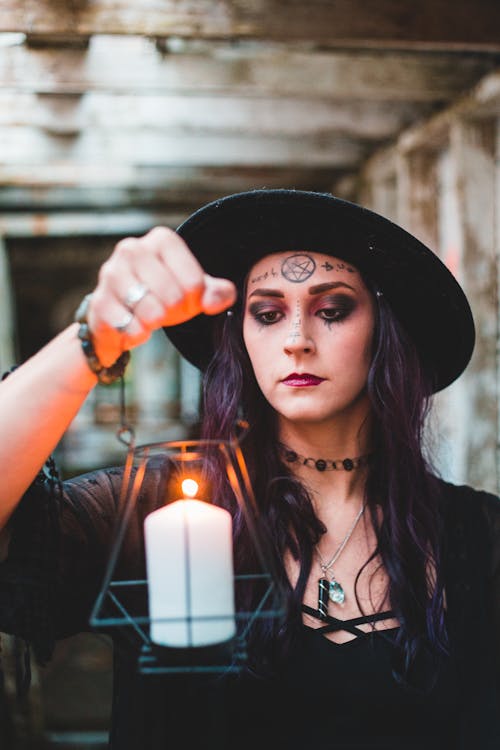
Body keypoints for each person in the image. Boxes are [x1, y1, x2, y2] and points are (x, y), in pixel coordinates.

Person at [0, 189, 499, 750]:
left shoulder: (480, 535)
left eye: (332, 310)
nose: (296, 341)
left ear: (386, 328)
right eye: (267, 313)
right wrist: (95, 336)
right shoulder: (160, 510)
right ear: (241, 334)